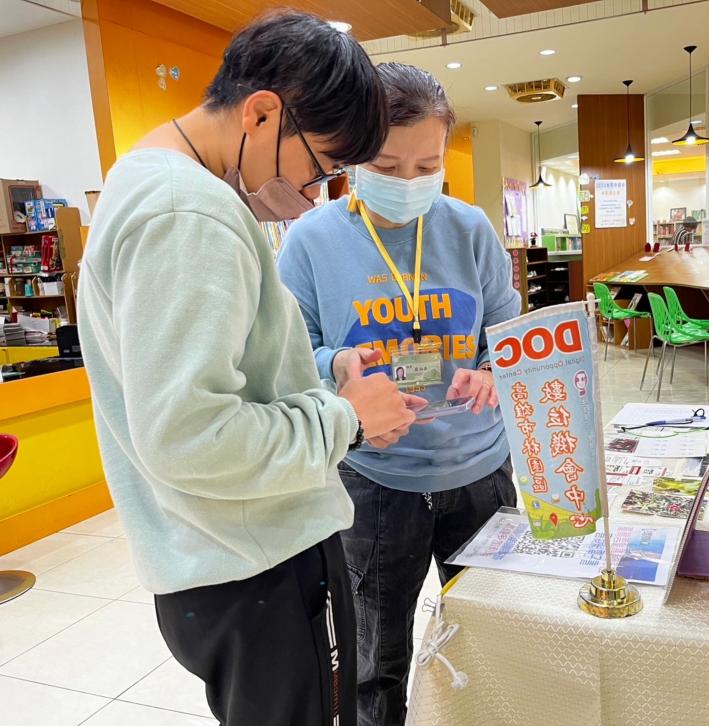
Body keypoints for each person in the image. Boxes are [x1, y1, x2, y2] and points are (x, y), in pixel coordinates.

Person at [77, 12, 422, 726]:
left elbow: (211, 386)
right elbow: (190, 435)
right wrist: (348, 419)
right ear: (262, 113)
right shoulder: (189, 212)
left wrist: (323, 377)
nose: (315, 192)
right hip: (260, 566)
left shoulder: (146, 182)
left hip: (220, 558)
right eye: (320, 166)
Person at [278, 62, 520, 726]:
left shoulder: (470, 229)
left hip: (480, 470)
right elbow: (288, 356)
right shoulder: (311, 241)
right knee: (374, 662)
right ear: (351, 155)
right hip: (376, 479)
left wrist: (493, 369)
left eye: (427, 166)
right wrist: (338, 364)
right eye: (386, 166)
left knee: (495, 637)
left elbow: (509, 334)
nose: (409, 182)